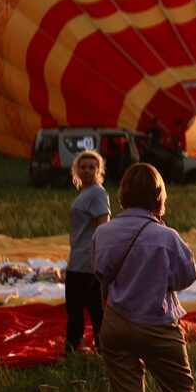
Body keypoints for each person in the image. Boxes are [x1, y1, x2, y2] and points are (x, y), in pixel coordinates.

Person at [92, 163, 196, 392]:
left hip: (116, 323)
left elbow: (100, 272)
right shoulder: (167, 237)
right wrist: (158, 280)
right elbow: (186, 276)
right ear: (159, 195)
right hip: (158, 324)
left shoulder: (104, 233)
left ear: (124, 193)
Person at [64, 149, 112, 356]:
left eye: (91, 167)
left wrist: (100, 259)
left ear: (98, 170)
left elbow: (103, 227)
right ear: (76, 170)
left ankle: (77, 352)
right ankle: (79, 351)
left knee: (92, 313)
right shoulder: (85, 193)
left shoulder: (98, 193)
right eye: (82, 167)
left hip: (87, 264)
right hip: (77, 261)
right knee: (79, 312)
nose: (86, 171)